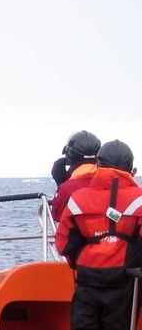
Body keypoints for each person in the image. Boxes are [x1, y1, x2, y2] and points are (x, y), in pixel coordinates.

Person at [56, 139, 142, 330]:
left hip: (87, 279)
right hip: (124, 280)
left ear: (99, 165)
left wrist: (79, 262)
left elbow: (64, 244)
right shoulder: (139, 200)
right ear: (130, 168)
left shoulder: (79, 199)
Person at [50, 130, 101, 221]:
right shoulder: (113, 183)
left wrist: (61, 184)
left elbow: (57, 215)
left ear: (70, 157)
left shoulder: (67, 189)